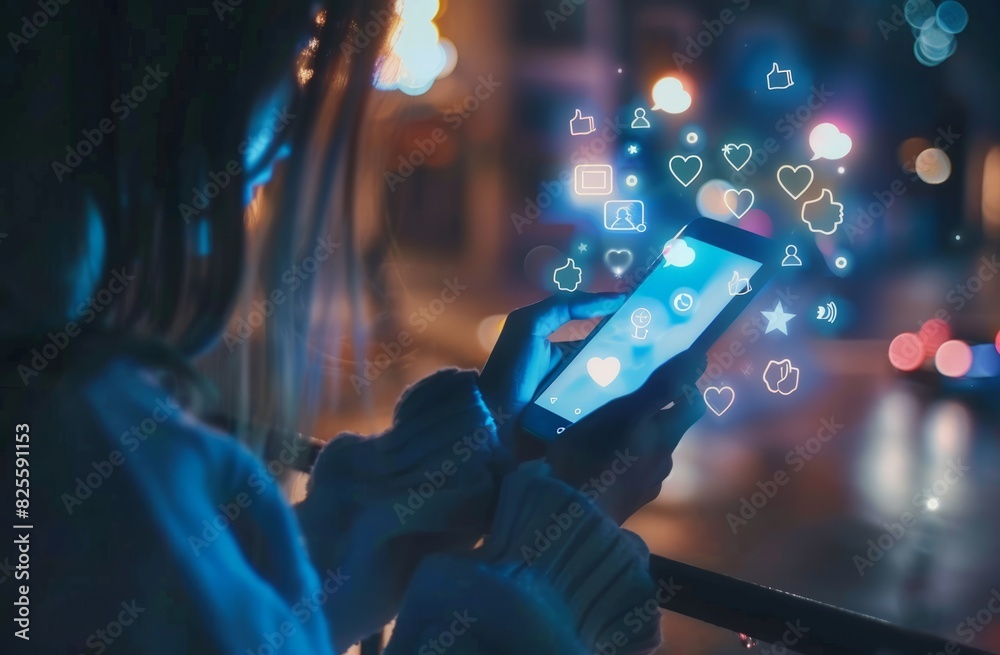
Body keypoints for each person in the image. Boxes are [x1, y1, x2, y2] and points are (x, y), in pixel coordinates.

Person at [0, 1, 706, 652]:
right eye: (299, 48)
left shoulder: (60, 404)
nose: (288, 136)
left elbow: (249, 616)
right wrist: (564, 545)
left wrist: (488, 428)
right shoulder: (102, 449)